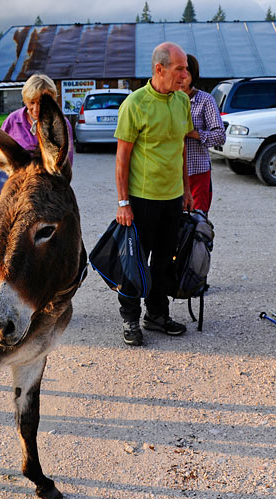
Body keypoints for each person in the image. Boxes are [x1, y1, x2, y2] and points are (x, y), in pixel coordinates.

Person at [114, 42, 194, 346]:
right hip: (142, 199)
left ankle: (157, 315)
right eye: (180, 69)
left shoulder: (181, 102)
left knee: (164, 261)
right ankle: (130, 319)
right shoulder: (134, 105)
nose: (185, 75)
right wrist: (123, 203)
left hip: (172, 199)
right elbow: (122, 158)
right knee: (134, 262)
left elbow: (181, 148)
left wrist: (185, 189)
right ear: (159, 69)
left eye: (185, 69)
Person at [0, 73, 73, 194]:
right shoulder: (12, 121)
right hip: (18, 188)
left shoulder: (61, 124)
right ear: (25, 100)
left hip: (47, 190)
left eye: (41, 103)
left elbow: (66, 164)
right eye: (32, 102)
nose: (36, 109)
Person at [181, 54, 225, 214]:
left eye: (186, 74)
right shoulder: (168, 99)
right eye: (177, 73)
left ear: (193, 76)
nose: (181, 78)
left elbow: (220, 136)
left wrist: (192, 133)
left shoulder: (205, 100)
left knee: (196, 219)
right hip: (171, 174)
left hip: (196, 171)